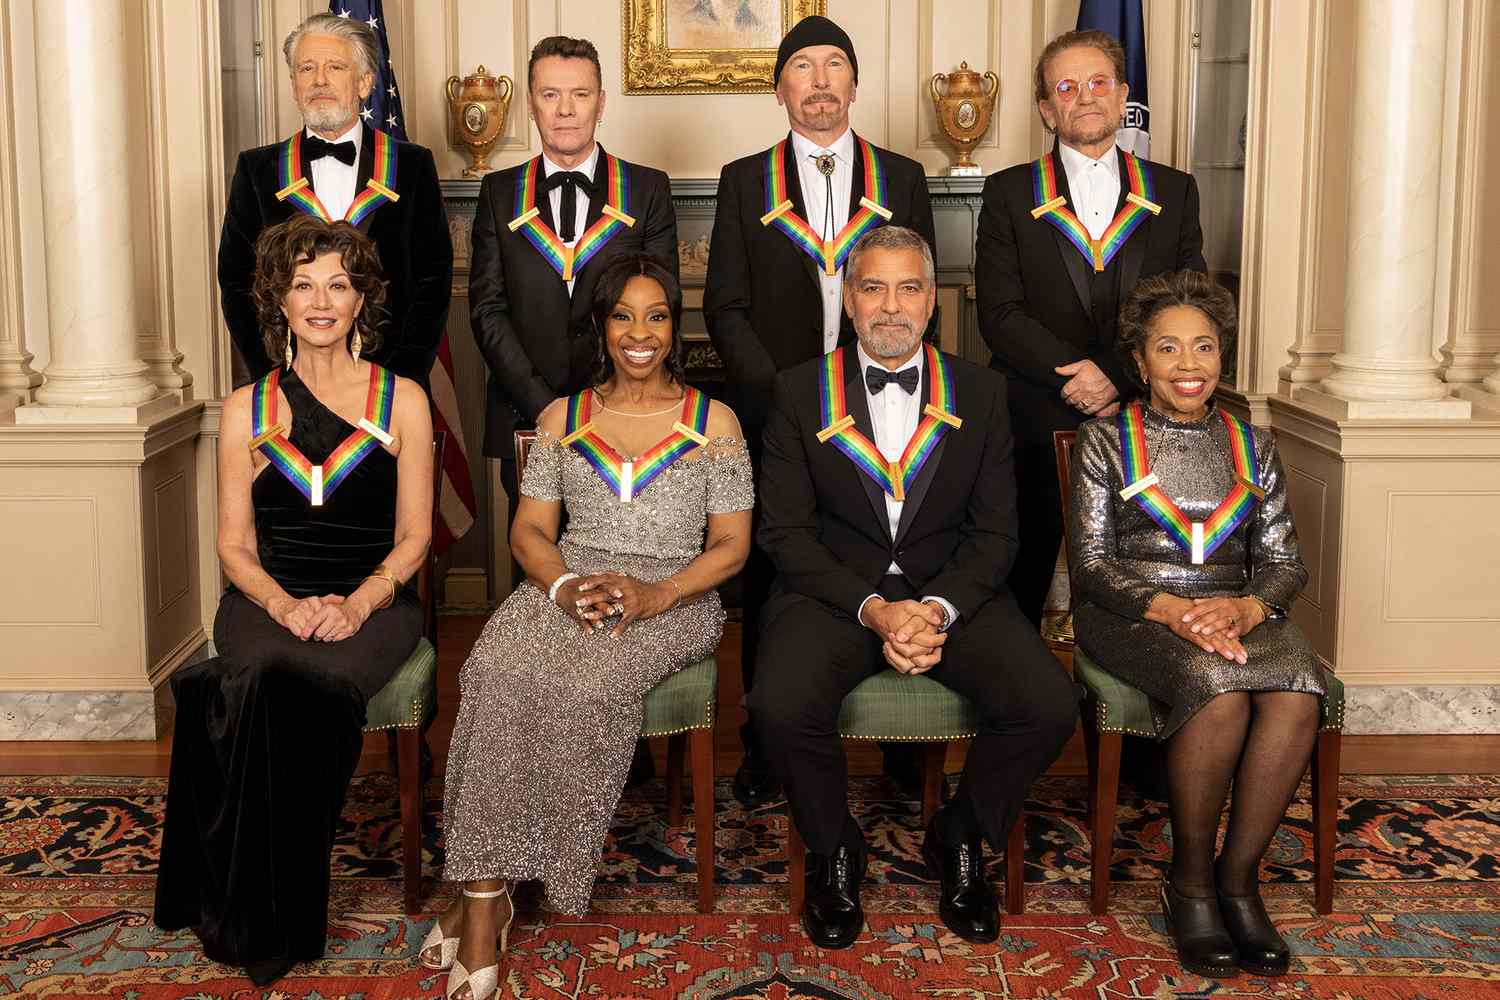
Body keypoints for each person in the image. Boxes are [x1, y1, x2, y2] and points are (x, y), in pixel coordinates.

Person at [423, 255, 752, 1000]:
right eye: (624, 316)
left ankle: (490, 899)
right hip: (567, 581)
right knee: (492, 671)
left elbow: (731, 546)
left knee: (587, 683)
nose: (641, 333)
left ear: (675, 326)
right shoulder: (560, 417)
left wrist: (657, 593)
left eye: (658, 316)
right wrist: (567, 586)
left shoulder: (714, 422)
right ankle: (487, 891)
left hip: (674, 593)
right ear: (602, 327)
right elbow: (531, 533)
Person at [747, 226, 1077, 949]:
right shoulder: (800, 391)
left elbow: (996, 535)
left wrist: (931, 609)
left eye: (908, 288)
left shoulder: (984, 393)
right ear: (849, 300)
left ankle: (959, 835)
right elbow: (786, 535)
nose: (889, 307)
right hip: (834, 594)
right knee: (777, 702)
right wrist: (873, 609)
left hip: (950, 593)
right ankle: (836, 849)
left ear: (932, 300)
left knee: (1049, 703)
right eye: (872, 287)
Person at [154, 217, 433, 986]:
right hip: (265, 596)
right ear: (277, 299)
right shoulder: (246, 406)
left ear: (361, 299)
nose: (320, 300)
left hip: (374, 602)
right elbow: (233, 547)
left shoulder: (403, 399)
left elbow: (414, 539)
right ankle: (264, 905)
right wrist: (284, 606)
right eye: (302, 284)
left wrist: (359, 603)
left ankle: (266, 912)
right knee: (272, 678)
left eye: (337, 284)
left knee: (295, 687)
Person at [705, 15, 936, 806]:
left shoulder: (901, 176)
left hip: (891, 416)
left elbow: (922, 302)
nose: (820, 80)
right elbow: (725, 306)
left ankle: (909, 745)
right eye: (802, 67)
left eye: (835, 64)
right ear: (780, 89)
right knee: (774, 571)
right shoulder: (745, 179)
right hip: (782, 418)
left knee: (895, 558)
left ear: (854, 83)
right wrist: (785, 403)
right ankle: (768, 745)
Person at [1069, 270, 1325, 980]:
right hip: (1133, 612)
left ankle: (1237, 882)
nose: (1189, 366)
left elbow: (1283, 564)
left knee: (1300, 688)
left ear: (1222, 358)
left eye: (1204, 348)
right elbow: (1091, 566)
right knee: (1219, 688)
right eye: (1170, 349)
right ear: (1140, 361)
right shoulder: (1103, 440)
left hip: (1234, 608)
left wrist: (1245, 608)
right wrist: (1176, 613)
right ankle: (1187, 885)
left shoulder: (1256, 447)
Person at [975, 29, 1205, 627]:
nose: (1085, 97)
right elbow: (999, 314)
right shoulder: (1006, 192)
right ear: (1048, 108)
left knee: (1140, 573)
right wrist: (1074, 379)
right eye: (1067, 87)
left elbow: (1186, 306)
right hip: (1034, 409)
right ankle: (1020, 689)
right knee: (1020, 569)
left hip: (1144, 411)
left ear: (1122, 95)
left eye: (1099, 82)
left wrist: (1115, 374)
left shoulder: (1175, 192)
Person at [470, 35, 679, 526]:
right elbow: (487, 310)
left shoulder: (647, 190)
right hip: (526, 413)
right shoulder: (499, 193)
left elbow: (657, 310)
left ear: (601, 102)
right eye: (550, 95)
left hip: (625, 411)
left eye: (580, 94)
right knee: (535, 566)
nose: (566, 110)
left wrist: (606, 401)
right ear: (531, 104)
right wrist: (544, 406)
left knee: (623, 555)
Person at [220, 13, 452, 389]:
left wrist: (397, 378)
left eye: (335, 67)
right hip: (287, 384)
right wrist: (276, 375)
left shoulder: (412, 165)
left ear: (364, 83)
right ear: (294, 84)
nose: (319, 80)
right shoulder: (256, 169)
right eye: (306, 68)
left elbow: (433, 279)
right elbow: (236, 280)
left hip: (389, 384)